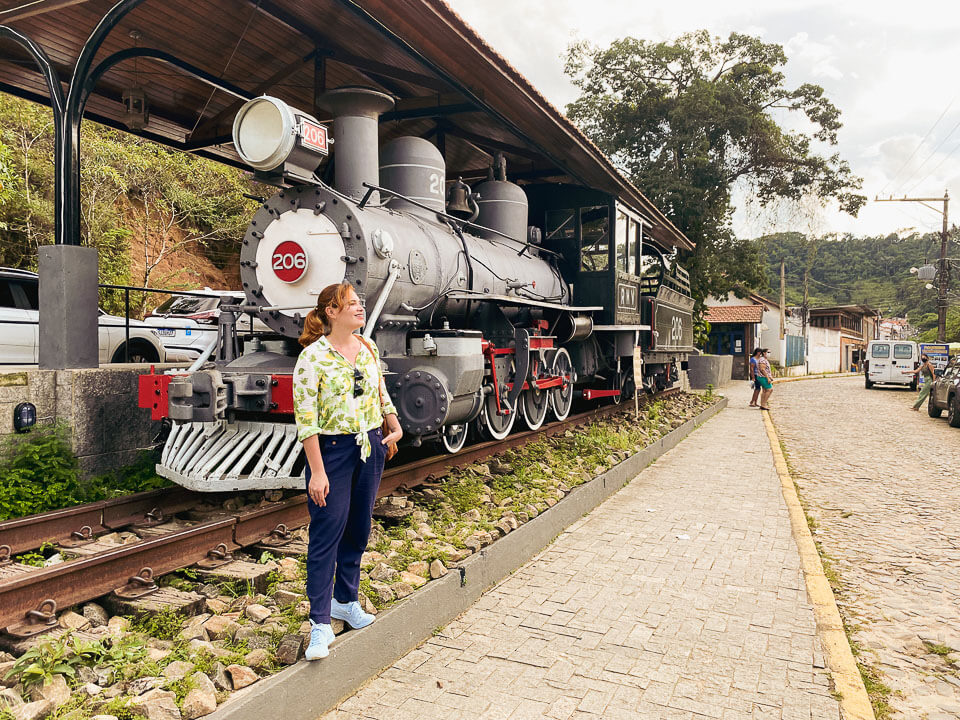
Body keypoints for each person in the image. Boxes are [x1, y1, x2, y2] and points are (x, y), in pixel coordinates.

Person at [293, 282, 403, 660]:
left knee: (358, 529)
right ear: (331, 313)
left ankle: (345, 601)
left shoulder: (368, 347)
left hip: (371, 446)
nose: (360, 307)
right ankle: (320, 624)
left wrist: (393, 423)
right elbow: (306, 420)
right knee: (327, 534)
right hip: (334, 451)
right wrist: (318, 472)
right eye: (352, 304)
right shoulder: (312, 358)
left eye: (360, 302)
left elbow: (380, 391)